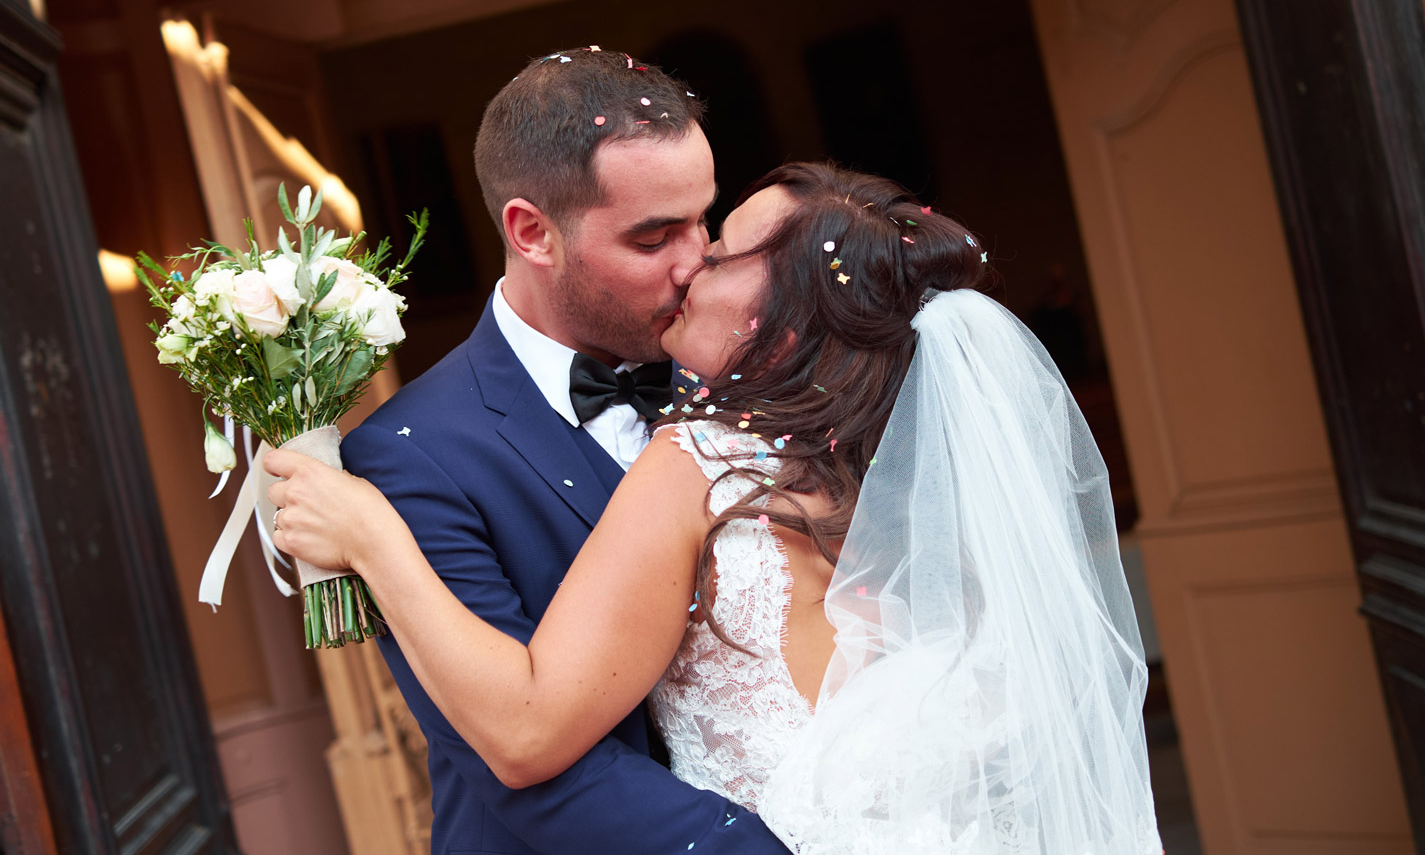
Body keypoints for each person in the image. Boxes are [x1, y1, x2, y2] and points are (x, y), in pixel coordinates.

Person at [267, 160, 1166, 853]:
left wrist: (373, 537)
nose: (693, 261)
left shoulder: (698, 458)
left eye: (720, 246)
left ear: (773, 320)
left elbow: (529, 726)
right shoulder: (883, 467)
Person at [303, 48, 795, 855]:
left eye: (703, 219)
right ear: (532, 232)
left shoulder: (741, 368)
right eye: (653, 237)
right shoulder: (408, 454)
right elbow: (524, 770)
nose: (695, 261)